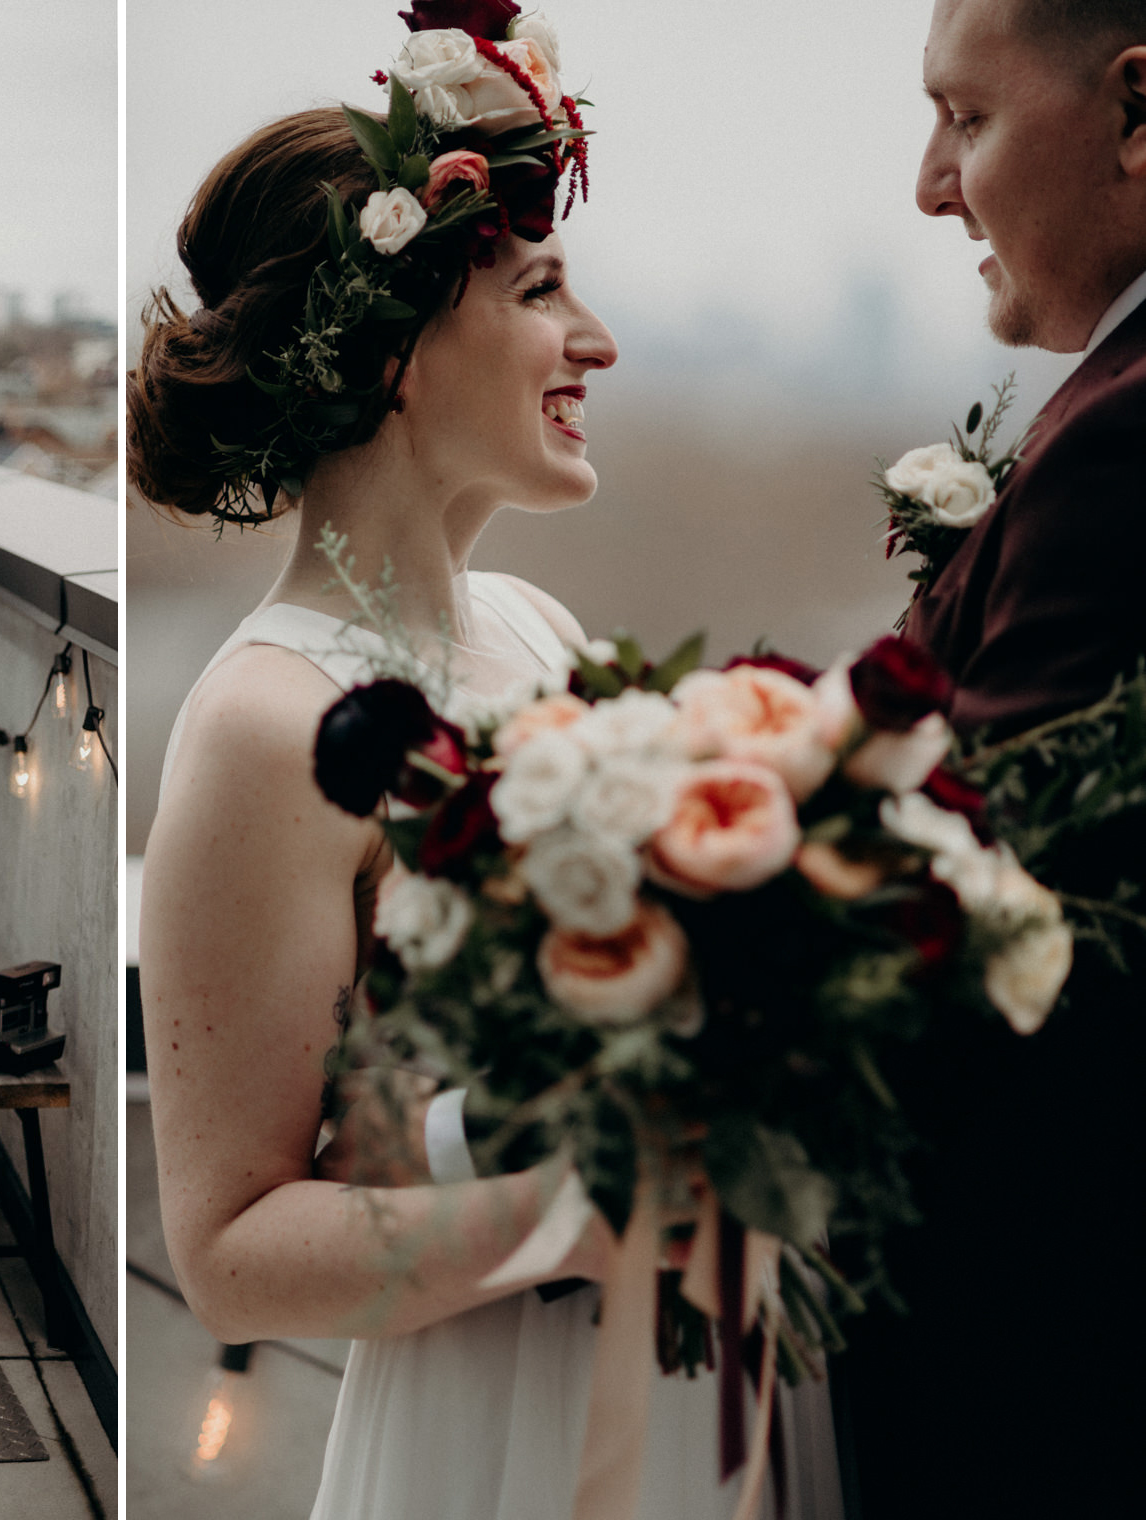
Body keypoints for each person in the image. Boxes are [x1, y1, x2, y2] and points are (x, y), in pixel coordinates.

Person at [130, 10, 840, 1516]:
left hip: (695, 1362)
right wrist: (578, 1211)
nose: (599, 343)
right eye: (540, 293)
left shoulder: (537, 625)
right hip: (498, 1411)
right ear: (394, 351)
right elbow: (233, 1254)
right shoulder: (263, 728)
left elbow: (398, 1115)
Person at [834, 2, 1146, 1511]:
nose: (929, 184)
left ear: (1138, 113)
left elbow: (967, 913)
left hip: (1041, 1374)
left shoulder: (1127, 434)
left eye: (966, 117)